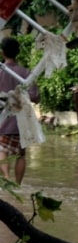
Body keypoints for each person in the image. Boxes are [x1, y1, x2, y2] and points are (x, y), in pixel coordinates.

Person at [0, 36, 38, 185]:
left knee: (2, 150)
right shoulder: (26, 73)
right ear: (18, 52)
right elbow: (35, 97)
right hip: (21, 121)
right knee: (21, 155)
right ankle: (18, 185)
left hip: (3, 119)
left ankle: (6, 178)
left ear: (2, 52)